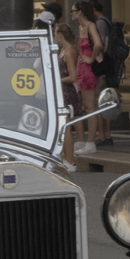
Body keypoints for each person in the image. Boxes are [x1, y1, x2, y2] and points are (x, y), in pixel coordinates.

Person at [70, 1, 104, 154]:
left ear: (81, 12)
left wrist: (90, 58)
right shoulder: (81, 27)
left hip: (88, 69)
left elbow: (98, 43)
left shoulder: (90, 26)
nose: (72, 13)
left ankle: (90, 143)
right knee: (87, 105)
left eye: (74, 11)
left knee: (89, 107)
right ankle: (88, 141)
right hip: (82, 68)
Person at [54, 23, 84, 170]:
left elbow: (72, 76)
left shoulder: (69, 52)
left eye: (55, 34)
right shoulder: (62, 51)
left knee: (65, 127)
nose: (54, 37)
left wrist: (57, 80)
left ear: (60, 35)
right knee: (62, 127)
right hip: (61, 92)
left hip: (67, 91)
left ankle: (70, 161)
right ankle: (66, 158)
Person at [89, 0, 117, 145]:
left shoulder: (99, 23)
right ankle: (108, 134)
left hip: (102, 67)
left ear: (94, 9)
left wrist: (92, 58)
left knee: (99, 101)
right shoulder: (107, 21)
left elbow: (100, 45)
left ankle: (102, 136)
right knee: (107, 101)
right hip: (110, 66)